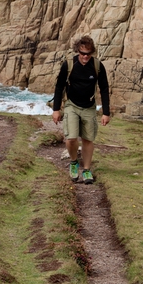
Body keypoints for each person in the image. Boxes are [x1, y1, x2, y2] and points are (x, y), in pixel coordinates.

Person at [50, 35, 110, 184]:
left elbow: (104, 88)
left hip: (89, 107)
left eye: (88, 54)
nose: (85, 57)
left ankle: (87, 170)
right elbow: (59, 87)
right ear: (78, 51)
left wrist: (106, 112)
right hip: (71, 105)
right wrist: (56, 110)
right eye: (82, 53)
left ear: (92, 52)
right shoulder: (69, 64)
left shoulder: (97, 66)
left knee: (88, 139)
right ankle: (74, 162)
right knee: (71, 138)